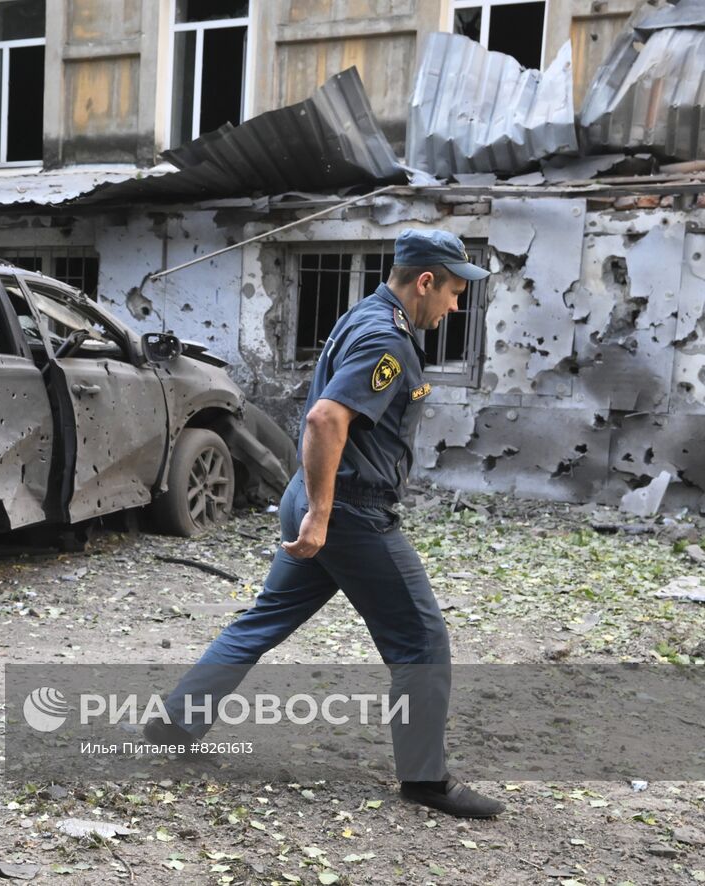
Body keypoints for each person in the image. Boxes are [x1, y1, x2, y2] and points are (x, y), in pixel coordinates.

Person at [146, 229, 504, 819]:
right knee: (422, 640)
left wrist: (313, 506)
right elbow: (324, 418)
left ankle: (175, 725)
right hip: (349, 513)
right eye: (455, 291)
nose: (456, 305)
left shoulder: (365, 315)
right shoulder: (385, 340)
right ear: (425, 281)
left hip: (321, 501)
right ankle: (425, 780)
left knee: (265, 617)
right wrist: (321, 514)